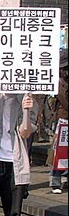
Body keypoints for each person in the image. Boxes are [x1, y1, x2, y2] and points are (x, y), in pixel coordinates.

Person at [46, 50, 68, 194]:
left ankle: (64, 178)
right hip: (61, 121)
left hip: (64, 119)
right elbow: (64, 102)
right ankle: (55, 181)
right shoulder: (57, 83)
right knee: (57, 151)